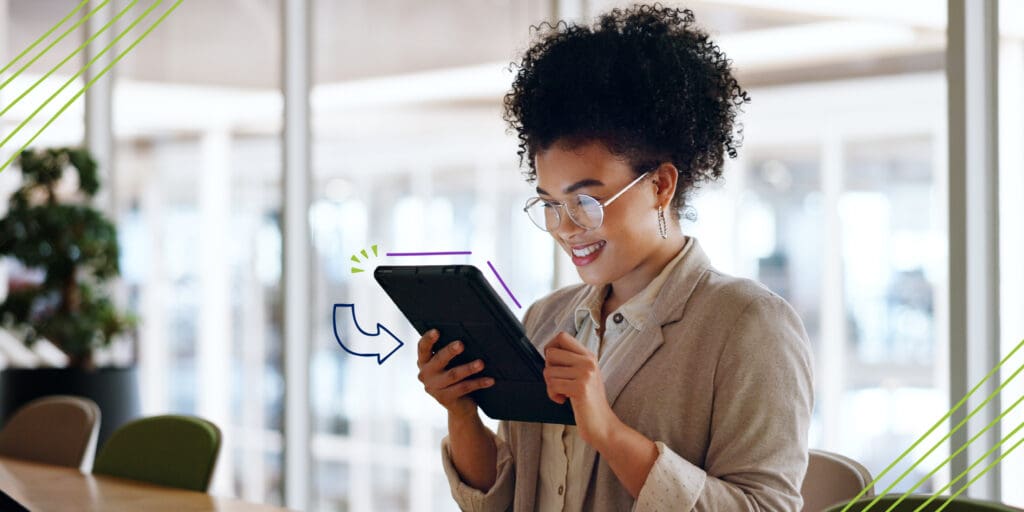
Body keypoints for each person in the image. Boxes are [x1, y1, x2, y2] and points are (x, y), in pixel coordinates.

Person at [415, 5, 814, 511]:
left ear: (660, 185)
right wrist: (461, 412)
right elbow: (510, 498)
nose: (564, 228)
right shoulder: (546, 319)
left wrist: (607, 431)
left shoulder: (749, 325)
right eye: (550, 204)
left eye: (584, 201)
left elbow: (766, 507)